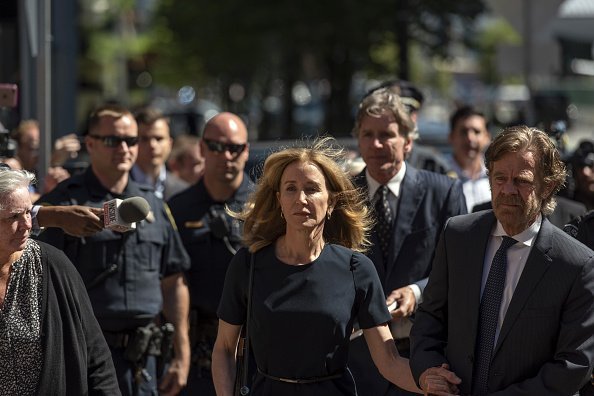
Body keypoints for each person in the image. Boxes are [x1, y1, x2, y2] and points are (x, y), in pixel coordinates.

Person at [211, 137, 460, 396]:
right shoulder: (249, 264)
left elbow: (389, 361)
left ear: (331, 202)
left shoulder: (356, 268)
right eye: (291, 189)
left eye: (311, 189)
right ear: (279, 201)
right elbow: (225, 349)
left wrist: (428, 382)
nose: (301, 198)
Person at [410, 125, 594, 395]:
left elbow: (574, 364)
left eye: (521, 180)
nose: (507, 190)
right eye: (499, 178)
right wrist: (429, 370)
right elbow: (430, 317)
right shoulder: (458, 235)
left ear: (548, 186)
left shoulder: (576, 264)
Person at [35, 104, 191, 396]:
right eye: (112, 140)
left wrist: (182, 355)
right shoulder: (64, 205)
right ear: (90, 144)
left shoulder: (152, 204)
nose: (124, 148)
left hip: (146, 360)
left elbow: (173, 280)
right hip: (87, 357)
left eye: (132, 141)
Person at [348, 87, 467, 396]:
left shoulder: (443, 193)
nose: (376, 144)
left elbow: (462, 270)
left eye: (387, 134)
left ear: (408, 141)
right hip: (358, 366)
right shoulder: (341, 198)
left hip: (427, 360)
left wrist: (418, 292)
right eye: (367, 134)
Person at [0, 167, 120, 395]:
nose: (28, 224)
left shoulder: (52, 266)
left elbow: (96, 356)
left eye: (28, 212)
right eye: (13, 217)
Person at [168, 112, 252, 395]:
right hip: (198, 349)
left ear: (246, 151)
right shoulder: (176, 209)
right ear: (202, 149)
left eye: (234, 147)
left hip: (257, 350)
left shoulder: (268, 206)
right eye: (216, 147)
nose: (226, 155)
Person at [365, 80, 453, 176]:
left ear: (414, 118)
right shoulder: (365, 160)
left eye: (401, 116)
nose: (394, 124)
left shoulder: (433, 164)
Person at [131, 107, 189, 200]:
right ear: (133, 143)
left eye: (159, 139)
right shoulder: (116, 186)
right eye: (144, 139)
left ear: (170, 144)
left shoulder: (183, 192)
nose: (152, 145)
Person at [446, 105, 492, 211]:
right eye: (463, 132)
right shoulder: (439, 173)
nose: (470, 138)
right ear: (451, 137)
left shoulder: (497, 177)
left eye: (476, 132)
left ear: (487, 137)